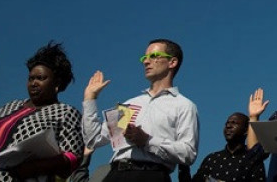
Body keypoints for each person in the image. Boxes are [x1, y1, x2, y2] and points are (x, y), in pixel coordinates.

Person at [0, 42, 84, 182]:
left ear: (57, 84)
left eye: (41, 78)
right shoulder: (11, 106)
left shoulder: (66, 112)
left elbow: (73, 157)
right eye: (31, 78)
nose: (33, 83)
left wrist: (33, 167)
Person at [83, 38, 199, 182]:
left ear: (172, 62)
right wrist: (90, 99)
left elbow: (188, 154)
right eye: (145, 57)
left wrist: (147, 140)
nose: (146, 62)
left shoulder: (184, 105)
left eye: (154, 56)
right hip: (114, 174)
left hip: (151, 175)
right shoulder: (128, 105)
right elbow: (93, 140)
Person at [188, 112, 265, 182]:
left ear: (246, 130)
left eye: (234, 123)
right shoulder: (211, 159)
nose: (228, 126)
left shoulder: (253, 160)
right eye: (227, 123)